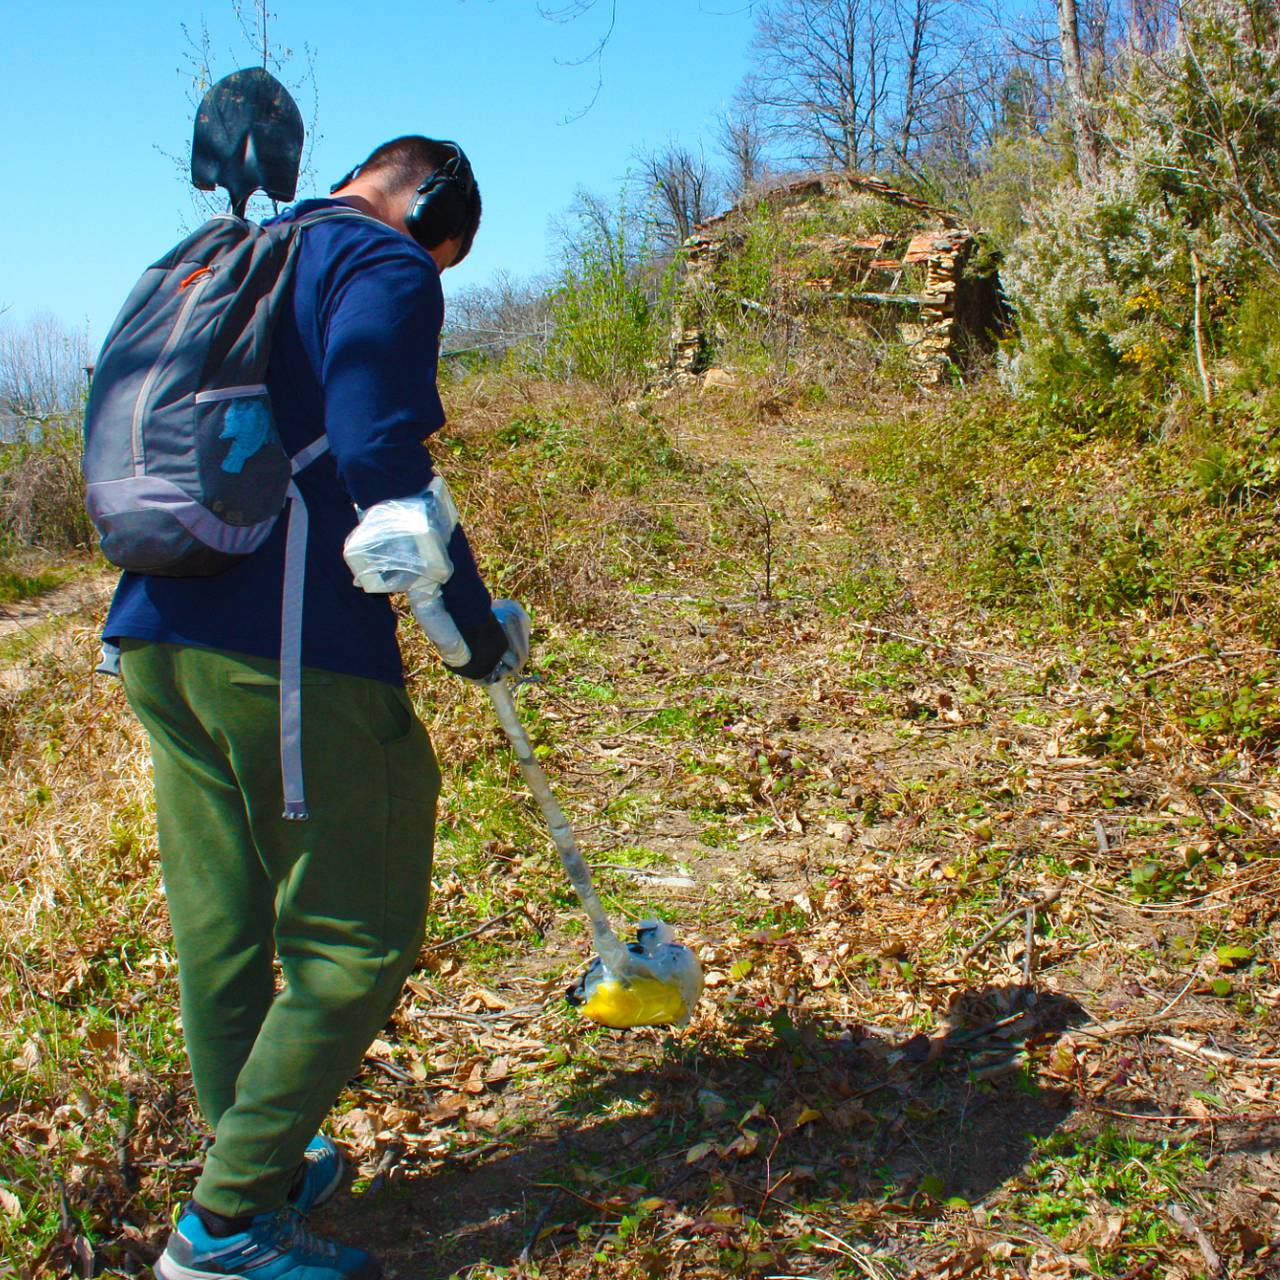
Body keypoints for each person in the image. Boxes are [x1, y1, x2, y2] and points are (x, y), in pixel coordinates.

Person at [104, 137, 517, 1280]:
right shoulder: (378, 263)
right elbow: (381, 452)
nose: (435, 270)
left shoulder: (236, 255)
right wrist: (472, 628)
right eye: (446, 250)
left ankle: (264, 1159)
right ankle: (227, 1227)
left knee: (222, 927)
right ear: (431, 205)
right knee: (355, 933)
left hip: (153, 633)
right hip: (286, 653)